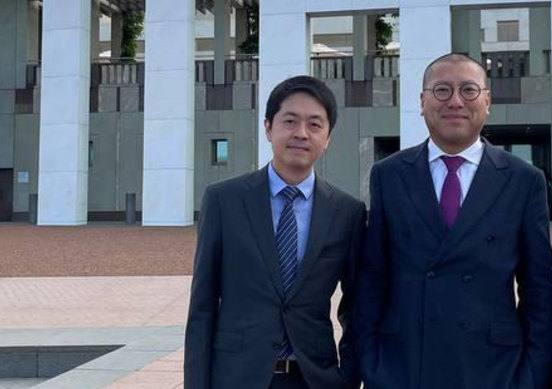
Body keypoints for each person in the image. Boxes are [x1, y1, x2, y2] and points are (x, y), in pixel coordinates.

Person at [358, 53, 552, 389]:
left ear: (487, 101)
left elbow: (539, 290)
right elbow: (372, 280)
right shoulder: (389, 175)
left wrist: (533, 376)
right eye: (442, 90)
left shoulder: (524, 180)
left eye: (469, 90)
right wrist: (372, 365)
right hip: (405, 367)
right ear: (422, 102)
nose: (456, 101)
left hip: (495, 371)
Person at [184, 75, 366, 389]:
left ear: (328, 137)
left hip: (313, 378)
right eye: (290, 121)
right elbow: (202, 305)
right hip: (236, 377)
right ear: (268, 127)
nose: (301, 134)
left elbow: (357, 307)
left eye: (314, 125)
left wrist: (347, 377)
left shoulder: (347, 212)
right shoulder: (224, 201)